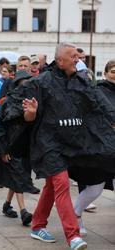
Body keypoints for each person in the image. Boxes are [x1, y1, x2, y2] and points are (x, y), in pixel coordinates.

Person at [0, 42, 115, 249]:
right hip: (48, 144)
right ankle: (73, 235)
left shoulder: (81, 81)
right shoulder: (41, 82)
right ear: (60, 60)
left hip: (73, 142)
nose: (78, 60)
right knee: (61, 183)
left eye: (78, 56)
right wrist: (30, 113)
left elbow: (100, 104)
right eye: (73, 57)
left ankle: (37, 225)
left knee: (52, 185)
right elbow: (15, 112)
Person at [73, 59, 115, 236]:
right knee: (95, 188)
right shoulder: (98, 91)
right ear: (105, 73)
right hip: (101, 147)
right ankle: (75, 216)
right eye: (113, 71)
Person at [0, 70, 34, 226]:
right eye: (23, 84)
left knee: (17, 178)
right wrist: (2, 150)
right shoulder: (7, 103)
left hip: (25, 148)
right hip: (9, 147)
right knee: (19, 177)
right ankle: (24, 211)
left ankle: (7, 204)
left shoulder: (32, 102)